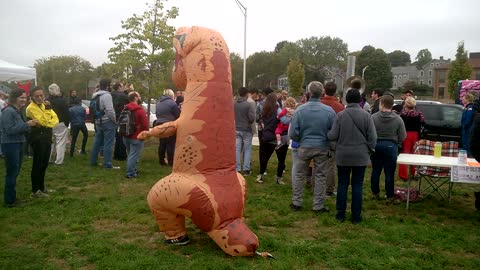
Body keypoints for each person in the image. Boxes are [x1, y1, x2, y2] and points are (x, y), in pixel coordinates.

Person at [328, 89, 377, 224]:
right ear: (360, 100)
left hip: (343, 154)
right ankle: (356, 216)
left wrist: (334, 147)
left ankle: (340, 214)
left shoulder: (340, 116)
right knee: (357, 185)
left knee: (342, 184)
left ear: (346, 100)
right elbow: (373, 138)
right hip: (360, 155)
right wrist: (369, 151)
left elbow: (332, 135)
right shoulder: (367, 116)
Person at [289, 81, 336, 212]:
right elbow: (333, 132)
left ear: (308, 93)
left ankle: (296, 202)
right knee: (320, 175)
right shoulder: (329, 111)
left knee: (299, 174)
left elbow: (293, 132)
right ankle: (318, 205)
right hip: (322, 147)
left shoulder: (300, 110)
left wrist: (301, 140)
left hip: (304, 146)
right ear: (322, 93)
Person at [1, 89, 38, 207]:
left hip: (19, 143)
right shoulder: (8, 111)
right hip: (10, 144)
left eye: (25, 97)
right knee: (12, 172)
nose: (24, 100)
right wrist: (27, 124)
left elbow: (20, 127)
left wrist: (27, 126)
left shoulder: (18, 111)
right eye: (21, 97)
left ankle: (12, 197)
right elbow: (9, 130)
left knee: (15, 172)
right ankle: (9, 201)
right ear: (14, 98)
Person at [370, 95, 406, 204]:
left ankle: (375, 192)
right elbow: (403, 136)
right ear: (392, 105)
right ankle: (389, 195)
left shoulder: (373, 117)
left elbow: (369, 134)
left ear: (381, 104)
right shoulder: (398, 119)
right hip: (391, 146)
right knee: (389, 173)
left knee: (376, 170)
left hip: (376, 146)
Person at [26, 86, 59, 197]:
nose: (40, 98)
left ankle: (42, 187)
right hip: (37, 138)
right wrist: (48, 112)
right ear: (32, 97)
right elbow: (44, 122)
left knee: (44, 163)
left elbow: (55, 120)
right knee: (38, 164)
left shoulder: (45, 105)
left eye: (42, 95)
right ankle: (35, 190)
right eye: (37, 96)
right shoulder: (31, 108)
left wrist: (47, 119)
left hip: (46, 136)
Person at [256, 92, 290, 184]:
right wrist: (291, 117)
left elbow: (260, 121)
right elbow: (283, 120)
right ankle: (279, 178)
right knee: (281, 159)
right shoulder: (277, 109)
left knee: (264, 158)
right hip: (279, 136)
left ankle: (261, 175)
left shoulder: (264, 109)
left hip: (267, 136)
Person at [321, 81, 345, 197]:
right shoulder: (339, 106)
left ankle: (318, 188)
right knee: (330, 166)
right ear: (335, 92)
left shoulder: (319, 103)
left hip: (319, 138)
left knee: (318, 164)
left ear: (324, 91)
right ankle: (329, 189)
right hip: (333, 140)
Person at [89, 78, 119, 169]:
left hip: (98, 121)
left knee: (97, 143)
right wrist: (115, 121)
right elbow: (110, 110)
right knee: (108, 144)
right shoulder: (107, 96)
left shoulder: (95, 95)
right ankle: (107, 164)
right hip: (107, 122)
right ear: (107, 86)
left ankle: (93, 162)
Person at [122, 91, 149, 178]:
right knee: (133, 155)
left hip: (126, 135)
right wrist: (145, 133)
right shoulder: (139, 110)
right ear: (136, 98)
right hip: (136, 136)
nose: (140, 97)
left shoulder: (125, 108)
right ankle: (130, 173)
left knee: (130, 154)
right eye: (139, 96)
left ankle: (133, 169)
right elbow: (145, 124)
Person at [398, 96, 424, 180]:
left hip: (406, 135)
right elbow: (423, 124)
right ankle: (414, 173)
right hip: (415, 135)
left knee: (404, 155)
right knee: (414, 155)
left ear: (406, 104)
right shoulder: (419, 114)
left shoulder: (403, 114)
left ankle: (403, 175)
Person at [234, 87, 256, 176]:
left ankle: (238, 169)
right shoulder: (248, 105)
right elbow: (252, 118)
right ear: (246, 94)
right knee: (247, 149)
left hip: (237, 129)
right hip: (246, 129)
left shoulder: (234, 104)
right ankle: (246, 169)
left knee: (237, 149)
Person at [155, 89, 180, 166]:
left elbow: (157, 114)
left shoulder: (158, 103)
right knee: (170, 144)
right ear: (171, 95)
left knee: (162, 143)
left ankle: (161, 161)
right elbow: (178, 115)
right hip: (169, 124)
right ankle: (171, 162)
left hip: (159, 124)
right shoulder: (172, 103)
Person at [47, 83, 70, 165]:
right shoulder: (62, 101)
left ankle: (47, 159)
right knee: (60, 142)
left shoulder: (46, 101)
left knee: (50, 142)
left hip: (49, 123)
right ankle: (59, 161)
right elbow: (66, 113)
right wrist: (67, 123)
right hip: (60, 123)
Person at [111, 82, 129, 161]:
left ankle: (116, 154)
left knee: (117, 137)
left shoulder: (111, 94)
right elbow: (130, 99)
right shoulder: (122, 95)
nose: (123, 87)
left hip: (113, 117)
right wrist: (128, 91)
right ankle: (122, 155)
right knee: (122, 137)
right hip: (121, 117)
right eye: (122, 86)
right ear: (119, 87)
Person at [461, 91, 476, 155]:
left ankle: (468, 158)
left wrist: (464, 126)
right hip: (466, 129)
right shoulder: (467, 107)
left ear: (467, 99)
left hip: (468, 129)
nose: (462, 99)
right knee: (465, 144)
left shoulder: (470, 107)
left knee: (467, 144)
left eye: (463, 98)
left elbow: (468, 119)